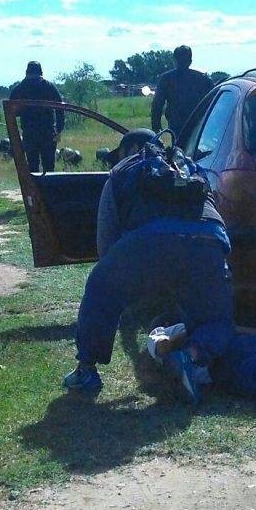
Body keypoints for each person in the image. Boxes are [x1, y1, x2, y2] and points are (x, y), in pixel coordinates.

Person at [62, 128, 235, 402]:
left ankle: (86, 370)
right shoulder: (191, 167)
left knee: (100, 287)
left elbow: (106, 243)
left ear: (128, 150)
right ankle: (191, 356)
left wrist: (126, 284)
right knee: (218, 318)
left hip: (150, 239)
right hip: (209, 240)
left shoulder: (124, 169)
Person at [9, 61, 65, 172]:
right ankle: (48, 189)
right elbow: (60, 108)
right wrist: (59, 130)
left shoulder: (19, 88)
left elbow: (11, 111)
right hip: (47, 132)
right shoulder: (49, 86)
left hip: (29, 133)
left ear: (26, 72)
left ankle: (34, 188)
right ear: (41, 72)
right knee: (49, 166)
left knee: (32, 165)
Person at [151, 45, 214, 134]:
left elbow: (157, 104)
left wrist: (156, 127)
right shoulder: (202, 78)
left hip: (176, 124)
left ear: (175, 61)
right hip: (198, 123)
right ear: (190, 61)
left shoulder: (167, 79)